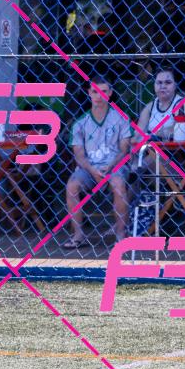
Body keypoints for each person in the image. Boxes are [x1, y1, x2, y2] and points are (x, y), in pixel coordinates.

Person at [63, 78, 131, 247]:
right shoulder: (80, 123)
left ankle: (120, 235)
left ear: (110, 93)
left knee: (118, 183)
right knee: (72, 185)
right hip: (89, 169)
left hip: (115, 166)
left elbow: (124, 150)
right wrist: (92, 169)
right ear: (89, 93)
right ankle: (78, 235)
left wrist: (111, 166)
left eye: (103, 91)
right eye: (95, 92)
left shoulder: (121, 118)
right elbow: (79, 156)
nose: (99, 96)